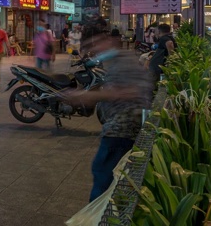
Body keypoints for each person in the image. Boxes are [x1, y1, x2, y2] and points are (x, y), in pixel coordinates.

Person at [63, 25, 153, 202]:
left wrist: (87, 96)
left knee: (103, 174)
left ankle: (100, 214)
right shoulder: (119, 61)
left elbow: (128, 92)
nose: (93, 50)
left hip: (121, 130)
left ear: (107, 41)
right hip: (120, 128)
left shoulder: (124, 61)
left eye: (94, 45)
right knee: (106, 173)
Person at [147, 24, 176, 88]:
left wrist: (171, 58)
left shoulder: (164, 38)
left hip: (159, 68)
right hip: (159, 67)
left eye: (156, 30)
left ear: (159, 31)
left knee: (154, 84)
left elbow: (169, 43)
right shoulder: (168, 37)